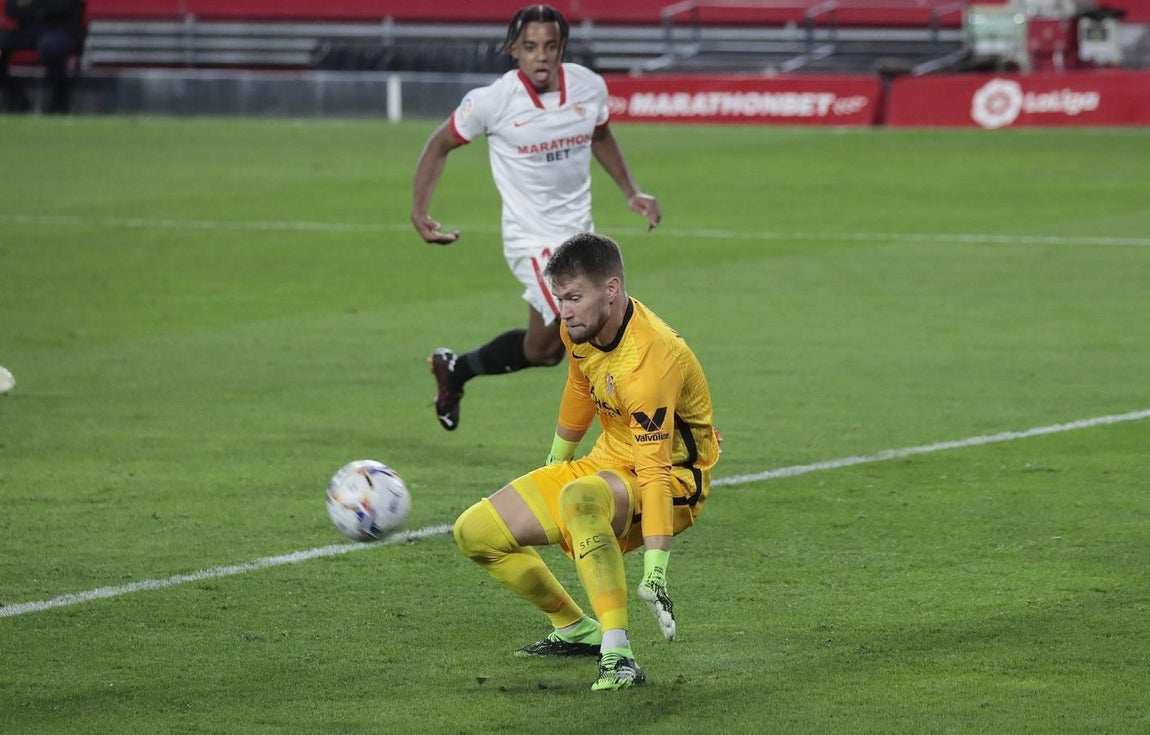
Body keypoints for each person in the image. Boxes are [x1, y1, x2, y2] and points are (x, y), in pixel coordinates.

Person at [452, 232, 719, 691]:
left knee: (580, 498)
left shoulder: (648, 363)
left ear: (611, 289)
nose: (564, 310)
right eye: (559, 298)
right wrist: (557, 461)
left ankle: (618, 655)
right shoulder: (579, 329)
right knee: (474, 533)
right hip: (608, 462)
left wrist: (656, 569)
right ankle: (576, 629)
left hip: (675, 480)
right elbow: (580, 386)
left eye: (574, 298)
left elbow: (654, 472)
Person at [411, 4, 661, 431]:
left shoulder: (589, 87)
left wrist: (631, 190)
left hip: (580, 235)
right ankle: (638, 435)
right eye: (530, 47)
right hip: (532, 240)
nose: (540, 56)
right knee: (595, 324)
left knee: (544, 350)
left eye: (550, 46)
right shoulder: (492, 101)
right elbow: (439, 144)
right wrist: (420, 211)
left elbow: (600, 135)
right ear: (514, 49)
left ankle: (456, 369)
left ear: (562, 47)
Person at [0, 0, 85, 114]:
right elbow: (11, 8)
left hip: (59, 29)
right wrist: (40, 8)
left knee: (51, 48)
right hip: (27, 28)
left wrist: (33, 6)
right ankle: (16, 97)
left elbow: (69, 8)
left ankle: (59, 98)